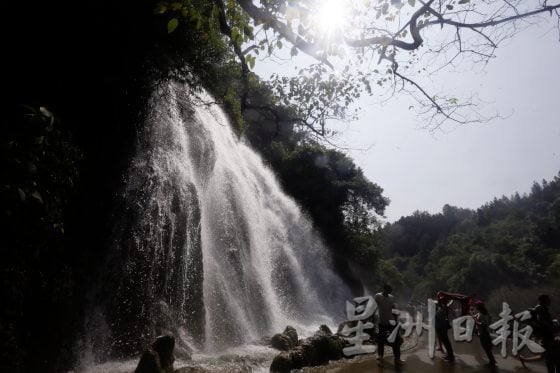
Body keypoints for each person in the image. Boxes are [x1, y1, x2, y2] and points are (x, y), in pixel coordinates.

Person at [374, 284, 403, 367]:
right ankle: (380, 357)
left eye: (390, 290)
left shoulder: (391, 297)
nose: (388, 291)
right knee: (381, 341)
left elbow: (394, 309)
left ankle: (397, 359)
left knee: (396, 340)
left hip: (391, 322)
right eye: (387, 289)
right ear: (384, 289)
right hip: (381, 322)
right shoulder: (378, 296)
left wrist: (396, 320)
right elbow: (373, 306)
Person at [533, 295, 560, 373]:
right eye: (547, 300)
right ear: (542, 301)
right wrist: (551, 326)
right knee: (551, 361)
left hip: (548, 338)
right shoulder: (541, 309)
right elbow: (540, 320)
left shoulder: (542, 309)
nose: (549, 301)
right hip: (548, 338)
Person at [474, 302, 496, 367]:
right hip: (485, 332)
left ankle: (492, 361)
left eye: (476, 306)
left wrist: (476, 322)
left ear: (479, 307)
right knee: (487, 347)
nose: (476, 307)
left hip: (483, 333)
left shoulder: (481, 315)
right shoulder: (484, 313)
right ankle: (492, 360)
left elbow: (482, 324)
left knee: (486, 348)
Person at [435, 293, 455, 361]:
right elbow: (449, 302)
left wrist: (452, 298)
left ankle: (450, 355)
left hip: (442, 327)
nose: (440, 301)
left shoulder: (444, 307)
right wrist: (452, 298)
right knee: (445, 340)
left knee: (445, 341)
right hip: (441, 326)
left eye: (442, 300)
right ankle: (449, 353)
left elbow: (449, 302)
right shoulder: (443, 306)